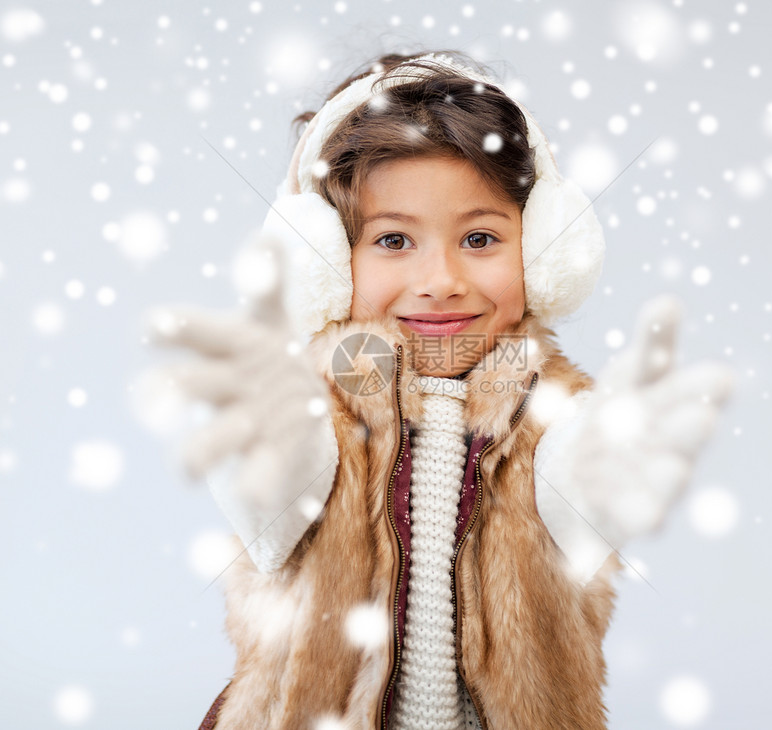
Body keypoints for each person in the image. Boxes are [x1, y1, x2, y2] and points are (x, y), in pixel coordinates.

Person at [149, 49, 734, 730]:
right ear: (328, 264)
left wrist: (604, 463)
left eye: (480, 238)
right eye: (394, 241)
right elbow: (274, 517)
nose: (441, 279)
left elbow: (570, 501)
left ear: (544, 251)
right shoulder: (316, 406)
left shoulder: (551, 416)